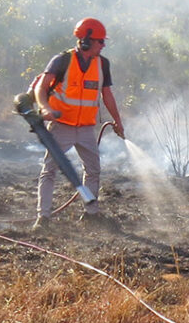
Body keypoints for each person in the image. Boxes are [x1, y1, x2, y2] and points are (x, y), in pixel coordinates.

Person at [32, 18, 125, 230]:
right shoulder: (61, 60)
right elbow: (41, 88)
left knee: (93, 170)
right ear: (85, 42)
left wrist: (118, 122)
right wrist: (45, 108)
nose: (103, 45)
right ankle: (43, 218)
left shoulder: (103, 64)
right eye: (100, 41)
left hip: (85, 129)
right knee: (50, 170)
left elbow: (107, 95)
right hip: (61, 126)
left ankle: (91, 214)